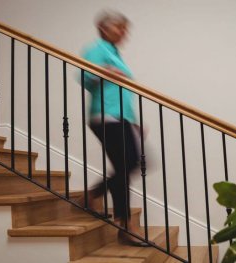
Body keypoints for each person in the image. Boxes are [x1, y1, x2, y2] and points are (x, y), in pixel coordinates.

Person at [78, 10, 148, 247]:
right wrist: (104, 72)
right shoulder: (96, 48)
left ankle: (93, 195)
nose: (123, 33)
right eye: (120, 27)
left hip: (121, 117)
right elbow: (84, 76)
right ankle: (125, 227)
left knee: (130, 164)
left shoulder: (114, 53)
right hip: (105, 116)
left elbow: (121, 92)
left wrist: (134, 121)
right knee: (126, 165)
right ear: (104, 28)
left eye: (125, 28)